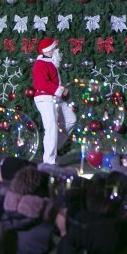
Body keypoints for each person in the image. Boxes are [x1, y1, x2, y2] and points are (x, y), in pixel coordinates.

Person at [32, 38, 75, 166]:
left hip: (55, 98)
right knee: (51, 127)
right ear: (48, 50)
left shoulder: (50, 62)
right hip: (45, 98)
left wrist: (61, 91)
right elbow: (41, 83)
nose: (57, 50)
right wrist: (60, 90)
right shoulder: (40, 63)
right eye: (55, 48)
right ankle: (49, 162)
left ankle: (52, 147)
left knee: (71, 119)